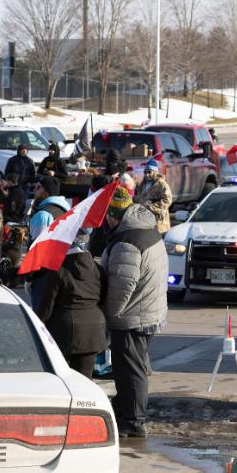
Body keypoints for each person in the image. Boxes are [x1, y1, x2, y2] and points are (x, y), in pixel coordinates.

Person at [99, 187, 168, 438]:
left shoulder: (126, 242)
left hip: (132, 317)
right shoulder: (145, 228)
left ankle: (135, 420)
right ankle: (126, 408)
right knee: (133, 367)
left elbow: (122, 285)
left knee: (131, 370)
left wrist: (110, 315)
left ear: (114, 216)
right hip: (148, 311)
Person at [34, 235, 107, 379]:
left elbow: (45, 306)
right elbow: (103, 298)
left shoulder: (57, 270)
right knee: (85, 378)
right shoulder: (98, 269)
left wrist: (37, 325)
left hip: (62, 330)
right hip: (93, 331)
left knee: (61, 377)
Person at [135, 159, 173, 234]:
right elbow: (139, 198)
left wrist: (151, 206)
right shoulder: (142, 184)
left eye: (149, 172)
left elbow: (167, 200)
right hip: (144, 219)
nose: (147, 174)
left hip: (158, 221)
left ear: (155, 172)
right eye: (145, 172)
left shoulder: (161, 184)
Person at [29, 176, 71, 241]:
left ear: (46, 192)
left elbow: (37, 247)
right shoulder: (66, 211)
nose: (34, 190)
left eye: (38, 187)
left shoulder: (43, 215)